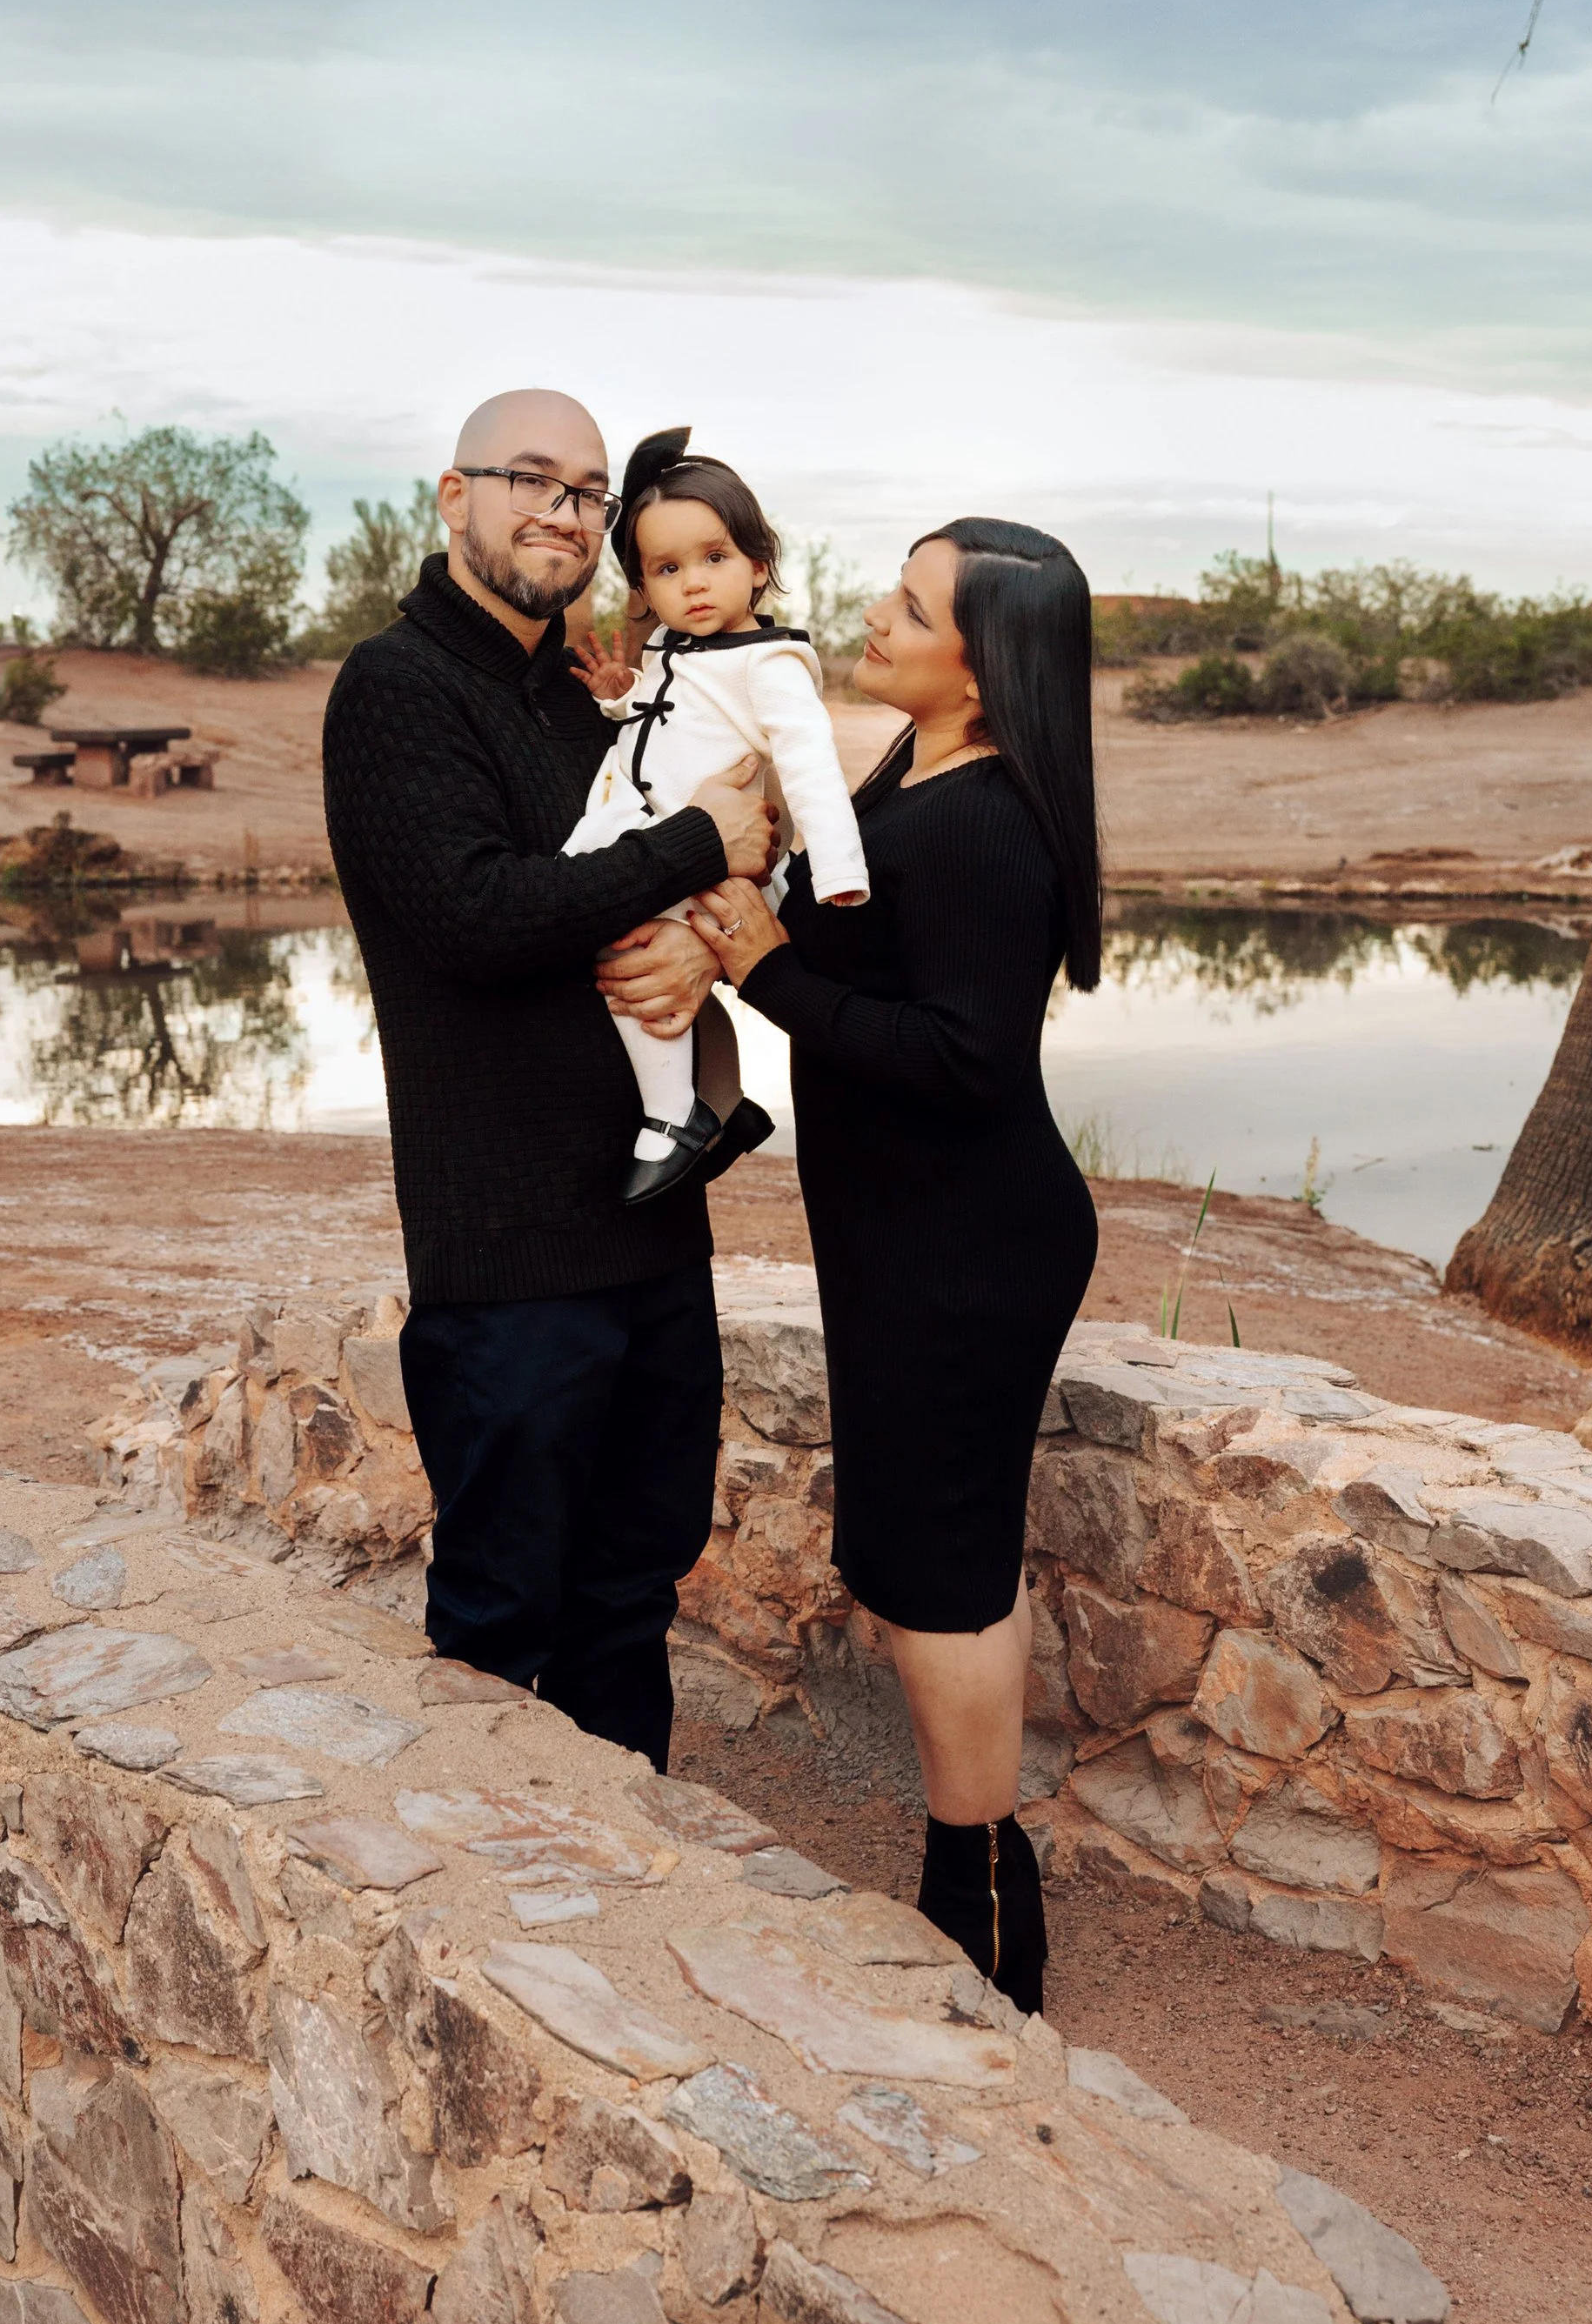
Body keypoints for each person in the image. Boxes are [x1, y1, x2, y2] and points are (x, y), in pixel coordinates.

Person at [320, 387, 775, 1767]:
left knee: (633, 1599)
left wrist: (703, 954)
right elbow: (479, 914)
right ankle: (494, 1934)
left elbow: (678, 888)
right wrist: (697, 842)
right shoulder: (396, 689)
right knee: (503, 1620)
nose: (562, 511)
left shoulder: (596, 703)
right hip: (509, 1253)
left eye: (586, 492)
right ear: (452, 497)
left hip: (649, 1224)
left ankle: (622, 1905)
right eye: (529, 478)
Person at [687, 518, 1102, 2013]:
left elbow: (967, 1058)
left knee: (945, 1579)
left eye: (910, 604)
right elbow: (851, 942)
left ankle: (984, 1906)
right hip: (913, 1240)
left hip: (968, 1244)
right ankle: (972, 1879)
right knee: (933, 1564)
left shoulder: (987, 822)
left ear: (984, 670)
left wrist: (767, 974)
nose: (875, 612)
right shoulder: (908, 779)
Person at [566, 426, 868, 1201]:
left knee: (631, 964)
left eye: (715, 558)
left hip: (698, 856)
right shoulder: (675, 646)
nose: (694, 583)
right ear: (643, 587)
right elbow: (673, 722)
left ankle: (673, 1116)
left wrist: (838, 868)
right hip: (653, 832)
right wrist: (619, 697)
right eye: (668, 569)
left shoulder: (770, 665)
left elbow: (809, 768)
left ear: (758, 565)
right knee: (633, 954)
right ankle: (727, 1105)